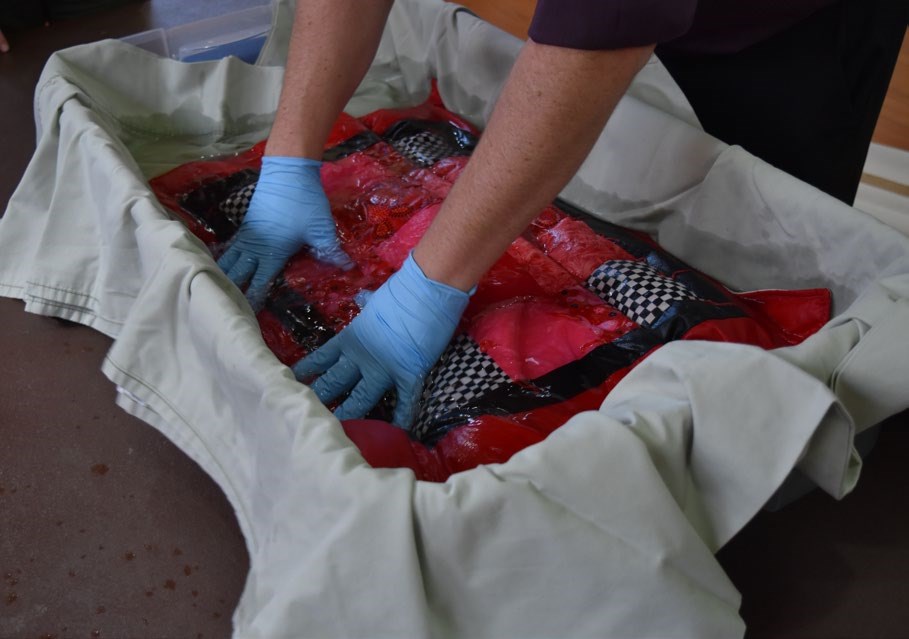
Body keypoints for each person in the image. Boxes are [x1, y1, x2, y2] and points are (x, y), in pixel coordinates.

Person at [217, 0, 907, 428]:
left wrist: (426, 287)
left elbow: (601, 24)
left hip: (780, 21)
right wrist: (287, 161)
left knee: (763, 263)